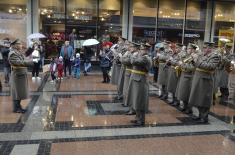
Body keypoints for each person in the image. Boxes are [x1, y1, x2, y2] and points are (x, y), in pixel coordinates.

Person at [188, 42, 220, 123]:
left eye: (205, 48)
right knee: (198, 98)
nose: (204, 49)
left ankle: (204, 117)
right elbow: (197, 65)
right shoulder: (202, 55)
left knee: (204, 99)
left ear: (210, 48)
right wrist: (193, 61)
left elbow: (210, 67)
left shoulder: (215, 56)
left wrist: (197, 60)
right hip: (198, 78)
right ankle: (200, 115)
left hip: (206, 80)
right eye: (204, 47)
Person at [128, 43, 152, 126]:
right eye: (140, 49)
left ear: (146, 50)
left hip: (140, 81)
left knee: (140, 100)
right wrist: (135, 55)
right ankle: (137, 118)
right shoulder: (141, 56)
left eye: (142, 49)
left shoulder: (146, 58)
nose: (140, 51)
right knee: (136, 100)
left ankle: (141, 120)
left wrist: (132, 54)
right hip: (136, 79)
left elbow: (133, 62)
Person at [8, 39, 33, 113]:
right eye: (20, 44)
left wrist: (31, 48)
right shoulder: (12, 53)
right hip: (17, 76)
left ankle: (18, 107)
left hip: (20, 75)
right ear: (15, 45)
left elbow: (25, 55)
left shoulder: (17, 52)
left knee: (20, 92)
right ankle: (16, 108)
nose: (21, 45)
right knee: (17, 92)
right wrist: (30, 62)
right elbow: (19, 63)